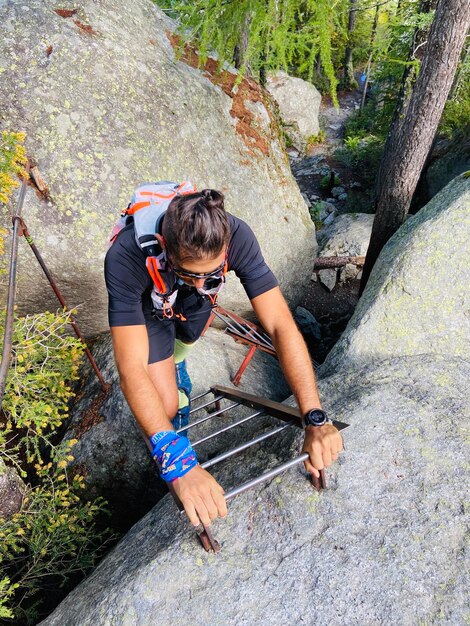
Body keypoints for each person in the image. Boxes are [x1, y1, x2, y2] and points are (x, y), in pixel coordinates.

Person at [104, 182, 343, 529]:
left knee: (190, 330)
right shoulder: (126, 257)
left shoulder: (236, 235)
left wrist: (315, 417)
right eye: (193, 275)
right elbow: (131, 367)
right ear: (167, 249)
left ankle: (177, 359)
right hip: (150, 300)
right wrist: (179, 464)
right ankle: (172, 377)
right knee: (166, 406)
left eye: (213, 275)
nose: (203, 285)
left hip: (181, 290)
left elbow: (280, 325)